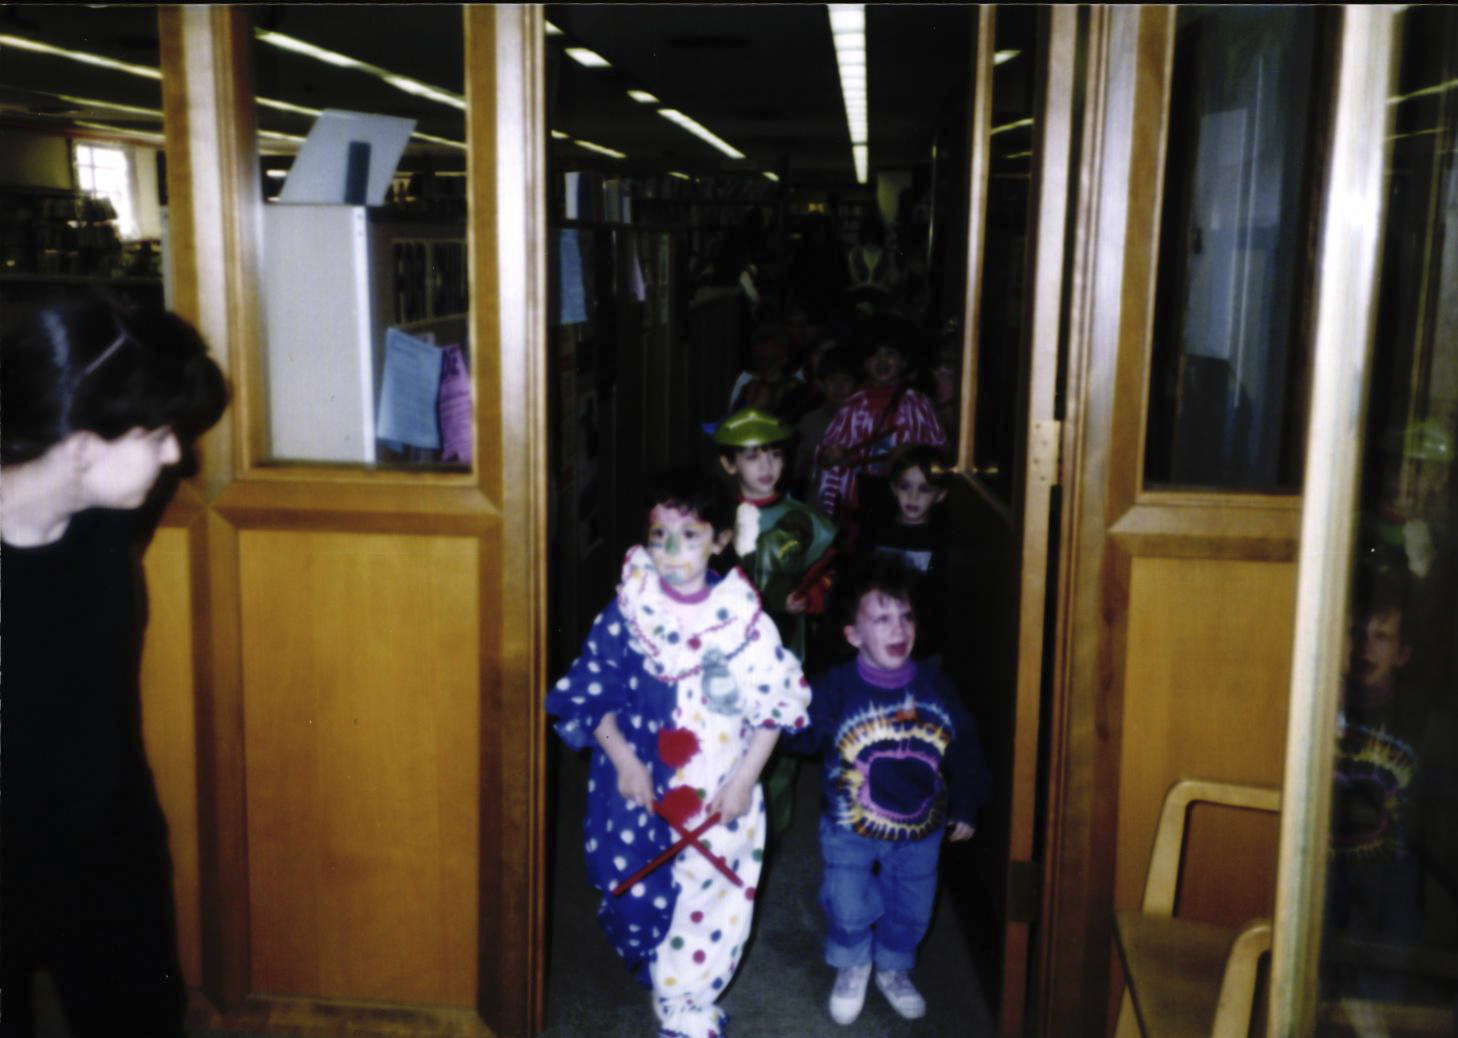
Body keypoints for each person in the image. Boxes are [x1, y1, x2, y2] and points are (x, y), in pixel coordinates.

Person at [1, 296, 229, 1038]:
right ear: (79, 444)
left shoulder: (113, 516)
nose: (176, 457)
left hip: (112, 848)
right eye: (156, 436)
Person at [545, 470, 811, 1038]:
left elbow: (774, 708)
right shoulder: (629, 609)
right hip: (643, 782)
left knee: (712, 893)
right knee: (641, 889)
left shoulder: (742, 619)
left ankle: (686, 997)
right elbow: (592, 694)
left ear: (719, 541)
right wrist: (624, 761)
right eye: (658, 536)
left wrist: (744, 782)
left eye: (688, 536)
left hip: (722, 784)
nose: (670, 552)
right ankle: (666, 977)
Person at [784, 559, 991, 1026]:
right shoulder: (835, 688)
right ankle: (852, 959)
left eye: (906, 616)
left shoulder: (935, 685)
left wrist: (967, 802)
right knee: (846, 898)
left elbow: (966, 746)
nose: (898, 628)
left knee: (912, 906)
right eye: (881, 618)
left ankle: (894, 965)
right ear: (853, 634)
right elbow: (802, 739)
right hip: (849, 824)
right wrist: (783, 715)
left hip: (921, 825)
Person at [715, 407, 838, 835]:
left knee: (778, 744)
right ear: (729, 463)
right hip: (724, 650)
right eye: (752, 456)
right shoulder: (713, 520)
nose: (766, 466)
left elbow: (828, 577)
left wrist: (811, 597)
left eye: (774, 455)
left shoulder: (805, 520)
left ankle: (771, 837)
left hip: (784, 647)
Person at [815, 314, 947, 528]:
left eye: (890, 353)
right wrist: (832, 456)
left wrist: (915, 453)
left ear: (904, 361)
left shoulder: (919, 404)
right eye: (874, 354)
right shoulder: (853, 405)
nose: (882, 360)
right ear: (864, 362)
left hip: (909, 508)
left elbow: (941, 452)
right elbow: (825, 455)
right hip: (859, 507)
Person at [864, 446, 957, 661]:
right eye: (905, 486)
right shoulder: (877, 532)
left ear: (940, 495)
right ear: (894, 488)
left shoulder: (941, 540)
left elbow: (941, 600)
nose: (913, 497)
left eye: (924, 489)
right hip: (878, 637)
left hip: (922, 643)